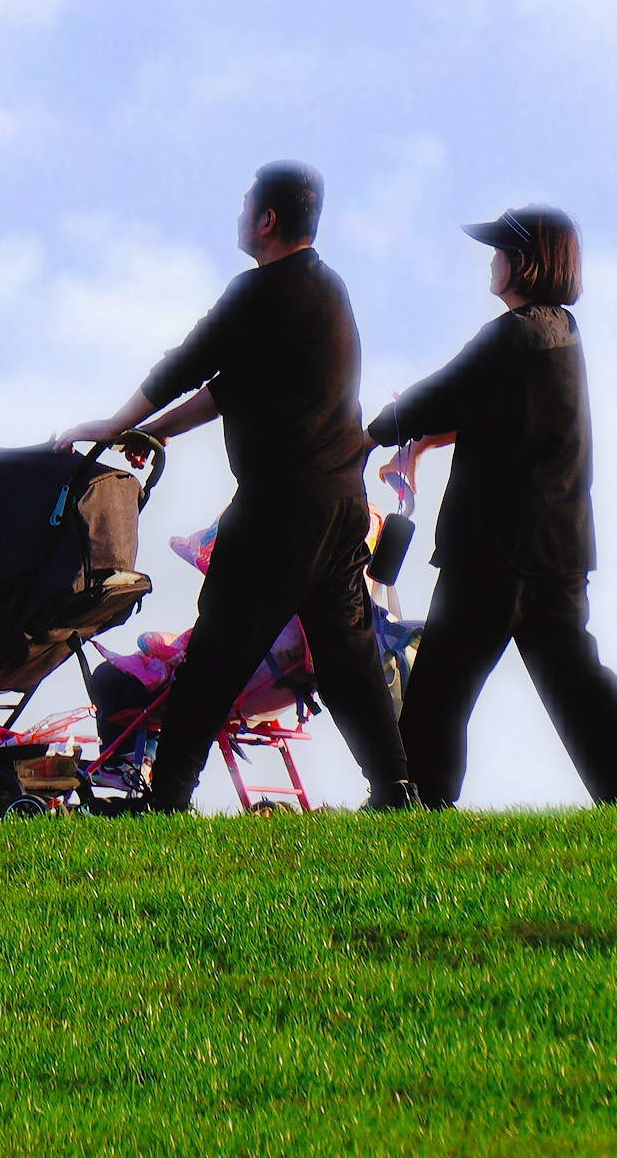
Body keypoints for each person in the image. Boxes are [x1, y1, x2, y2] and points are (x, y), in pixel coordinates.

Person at [71, 161, 411, 813]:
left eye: (243, 206)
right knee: (346, 659)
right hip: (339, 505)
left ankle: (166, 798)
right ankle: (396, 790)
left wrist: (114, 424)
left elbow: (186, 364)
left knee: (214, 655)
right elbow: (229, 387)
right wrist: (156, 434)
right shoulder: (327, 291)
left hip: (278, 510)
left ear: (267, 220)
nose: (237, 218)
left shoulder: (257, 292)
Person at [365, 205, 617, 809]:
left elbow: (446, 391)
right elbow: (486, 409)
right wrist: (424, 440)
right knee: (576, 679)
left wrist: (373, 432)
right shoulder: (559, 335)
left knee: (441, 680)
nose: (491, 262)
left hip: (499, 546)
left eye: (499, 251)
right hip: (556, 546)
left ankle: (411, 802)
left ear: (526, 261)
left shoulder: (513, 334)